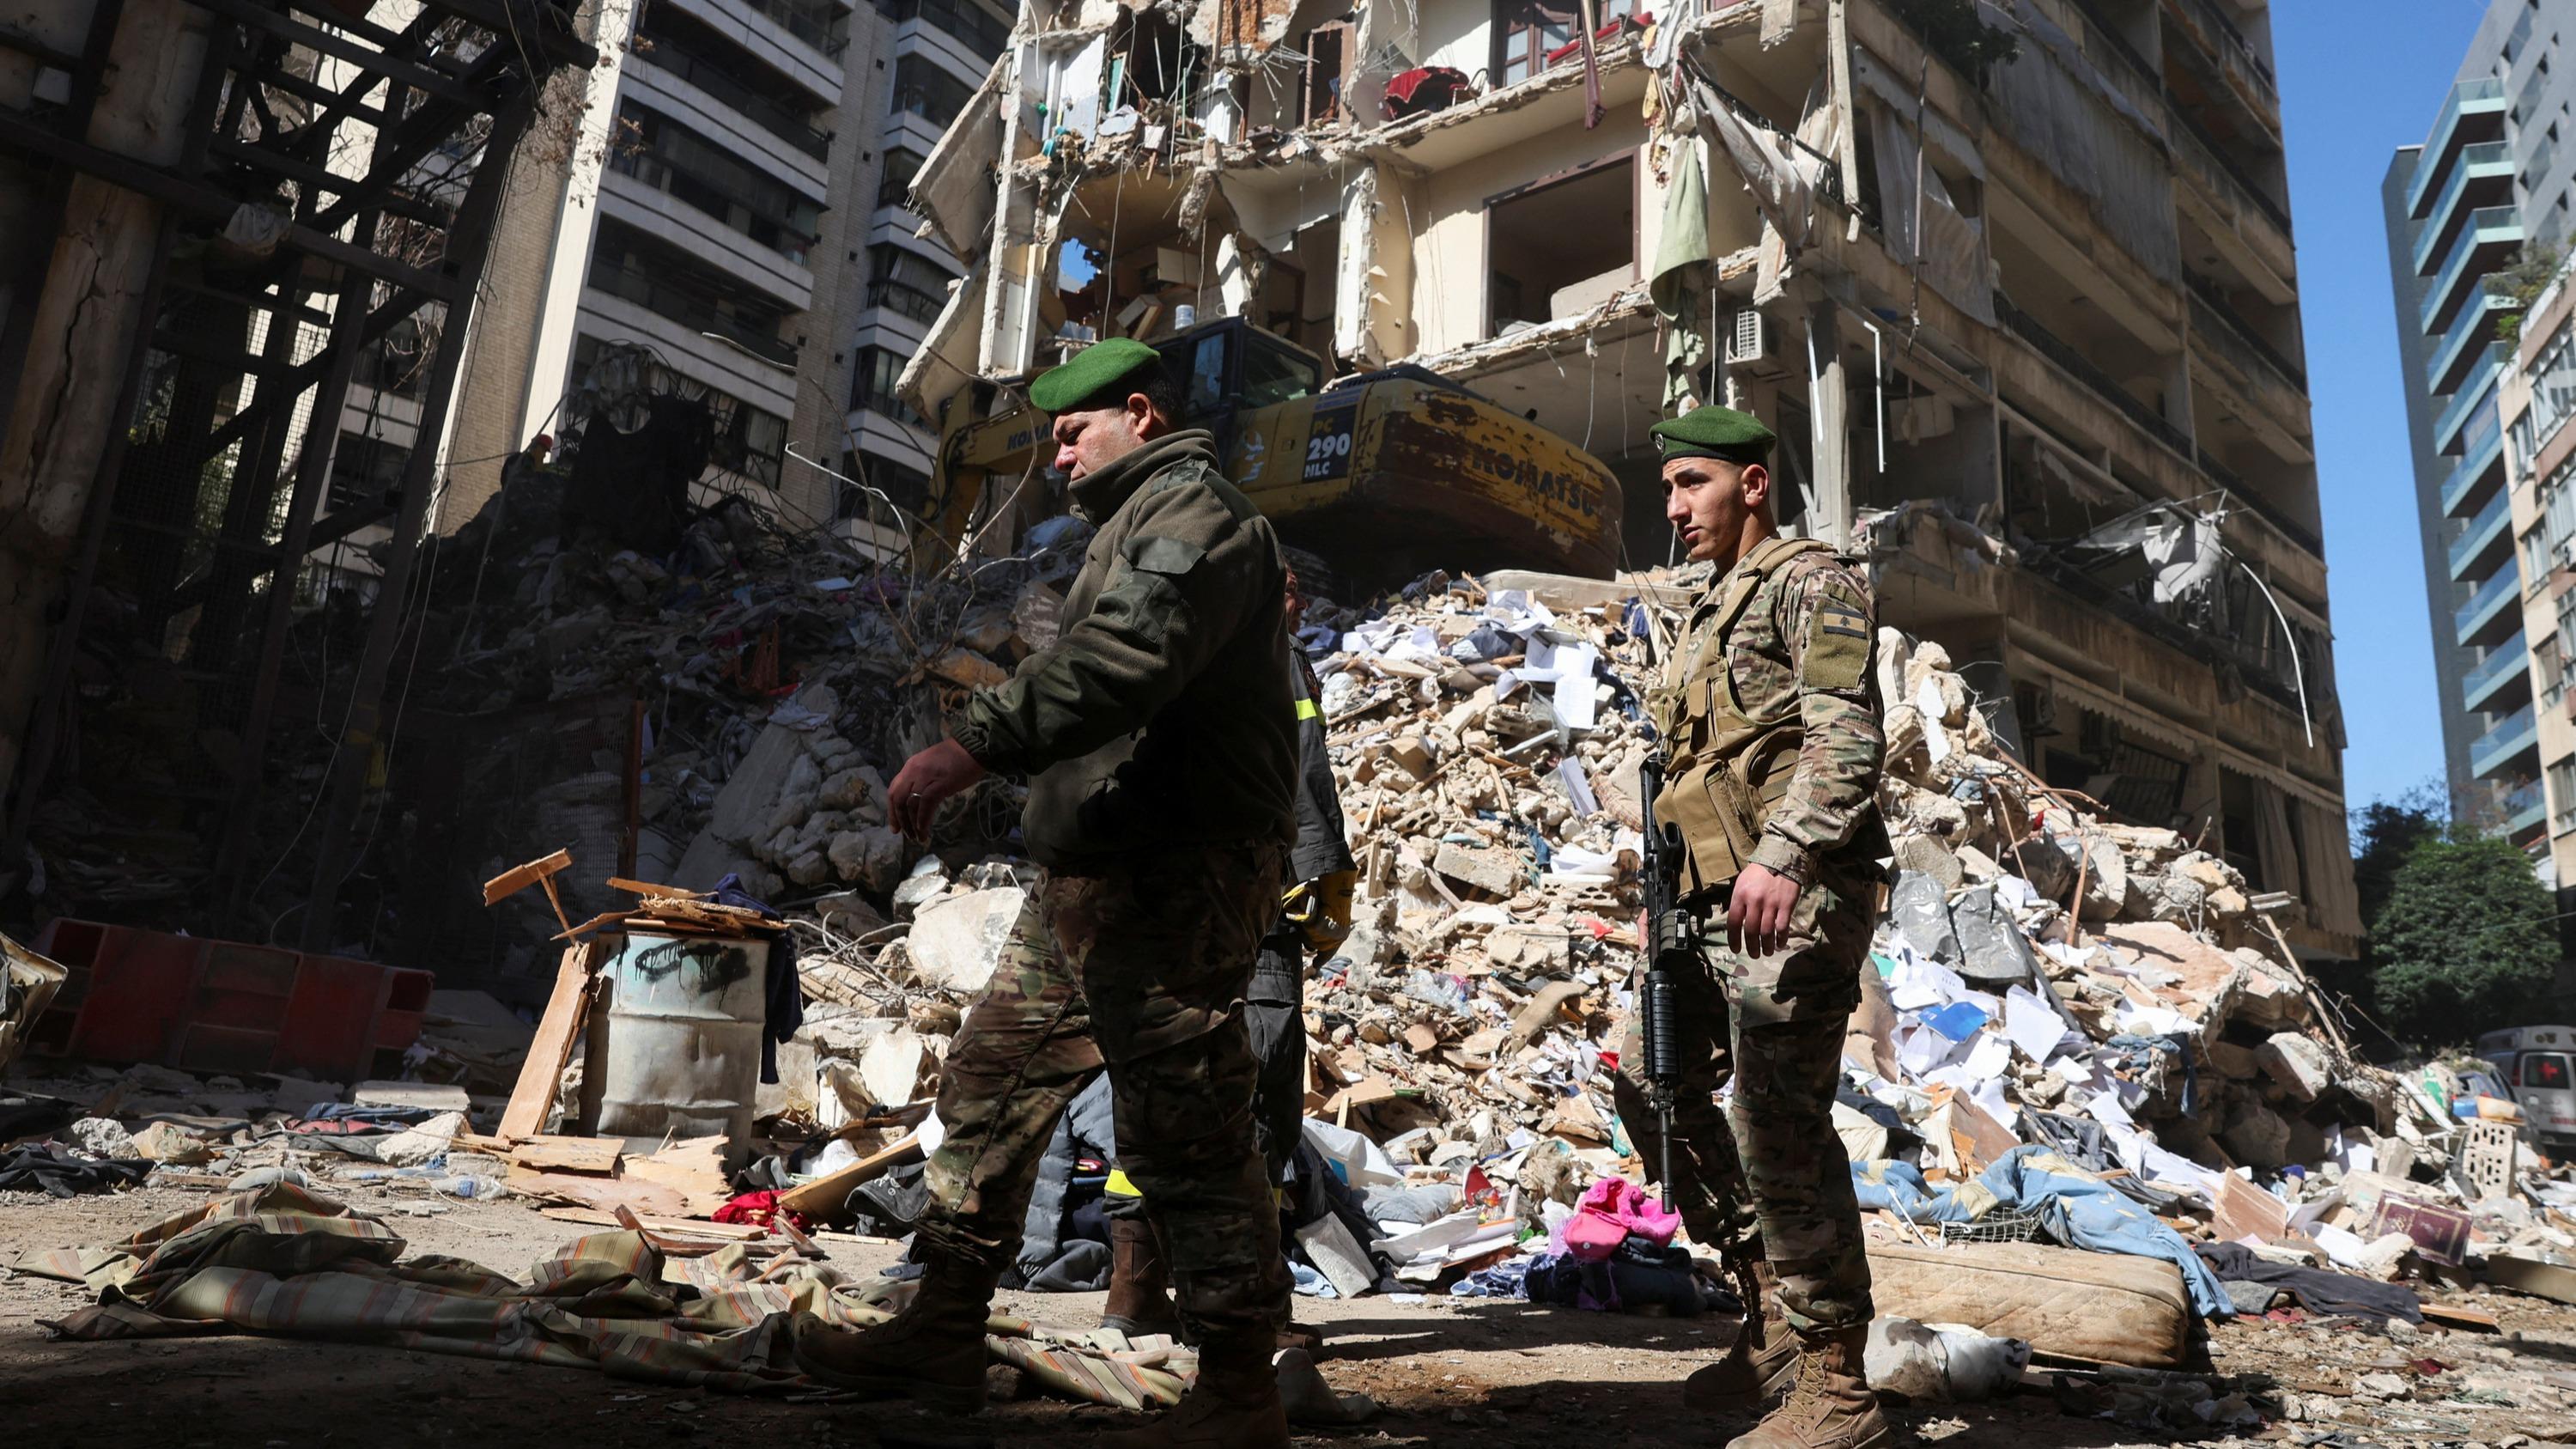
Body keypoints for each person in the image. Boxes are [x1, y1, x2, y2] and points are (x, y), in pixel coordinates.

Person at [791, 338, 1302, 1449]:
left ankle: (1237, 1387)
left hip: (1172, 871)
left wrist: (969, 746)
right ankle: (942, 1325)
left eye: (1072, 432)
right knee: (989, 1083)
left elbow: (1121, 663)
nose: (1057, 454)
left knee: (1184, 1123)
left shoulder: (1194, 512)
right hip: (1098, 872)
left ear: (1141, 414)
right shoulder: (1133, 523)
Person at [1609, 404, 1892, 1449]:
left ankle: (1840, 1385)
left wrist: (1787, 851)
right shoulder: (1708, 606)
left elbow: (1846, 736)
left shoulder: (1814, 582)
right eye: (1669, 489)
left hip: (1794, 892)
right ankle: (1770, 1308)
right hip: (1706, 901)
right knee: (1649, 1076)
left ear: (1754, 483)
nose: (1675, 507)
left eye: (1693, 483)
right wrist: (1666, 900)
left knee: (1779, 1120)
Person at [1097, 567, 1358, 1354]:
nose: (1297, 602)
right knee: (1260, 1094)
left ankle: (1134, 1290)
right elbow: (1304, 772)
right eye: (1286, 585)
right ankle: (1248, 1312)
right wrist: (1322, 892)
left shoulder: (1157, 646)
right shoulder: (1266, 654)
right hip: (1249, 907)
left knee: (1157, 1089)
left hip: (1161, 905)